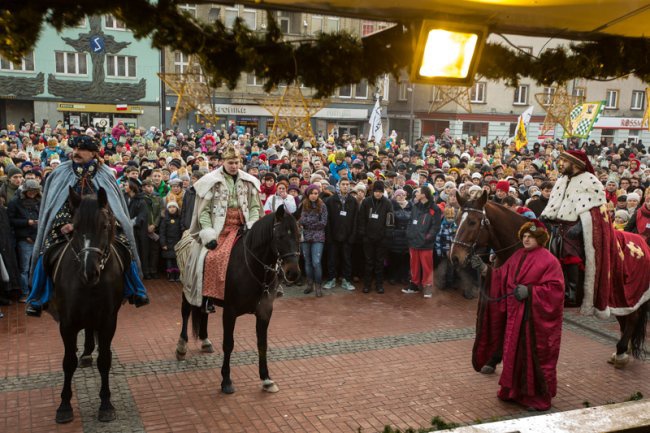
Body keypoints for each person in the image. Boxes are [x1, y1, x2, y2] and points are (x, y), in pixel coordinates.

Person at [26, 135, 149, 316]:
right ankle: (37, 298)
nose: (76, 153)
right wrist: (66, 223)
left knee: (125, 246)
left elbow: (113, 205)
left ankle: (136, 290)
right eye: (74, 149)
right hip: (68, 224)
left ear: (93, 153)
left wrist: (106, 222)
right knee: (46, 251)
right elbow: (55, 204)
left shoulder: (106, 174)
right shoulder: (60, 173)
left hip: (101, 225)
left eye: (81, 150)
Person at [471, 220, 564, 411]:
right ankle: (512, 391)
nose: (526, 239)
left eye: (531, 236)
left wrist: (531, 291)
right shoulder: (517, 255)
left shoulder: (549, 260)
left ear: (540, 239)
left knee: (532, 358)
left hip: (534, 322)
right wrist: (484, 269)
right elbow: (501, 276)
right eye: (524, 236)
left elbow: (556, 290)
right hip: (515, 317)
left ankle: (535, 397)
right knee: (513, 354)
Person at [182, 144, 263, 311]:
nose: (234, 166)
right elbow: (203, 212)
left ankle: (265, 291)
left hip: (243, 226)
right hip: (220, 229)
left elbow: (255, 207)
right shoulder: (210, 181)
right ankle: (208, 297)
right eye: (230, 163)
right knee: (211, 257)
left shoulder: (249, 181)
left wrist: (253, 224)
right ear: (223, 162)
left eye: (237, 162)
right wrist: (208, 233)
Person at [540, 150, 606, 308]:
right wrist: (546, 216)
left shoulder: (590, 180)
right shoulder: (562, 179)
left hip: (576, 227)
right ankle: (555, 290)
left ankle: (573, 294)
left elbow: (596, 209)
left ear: (575, 164)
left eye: (564, 161)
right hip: (558, 225)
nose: (560, 164)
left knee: (571, 258)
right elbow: (555, 203)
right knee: (553, 256)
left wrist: (580, 226)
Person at [404, 186, 442, 298]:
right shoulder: (415, 206)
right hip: (413, 242)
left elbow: (435, 227)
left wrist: (427, 238)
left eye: (418, 192)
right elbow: (411, 222)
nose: (415, 193)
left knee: (427, 266)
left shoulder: (435, 208)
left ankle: (428, 286)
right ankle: (414, 285)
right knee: (414, 265)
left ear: (424, 194)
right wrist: (409, 234)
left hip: (426, 244)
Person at [7, 179, 41, 301]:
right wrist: (27, 222)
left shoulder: (39, 201)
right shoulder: (15, 202)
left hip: (37, 239)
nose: (32, 193)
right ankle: (25, 293)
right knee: (24, 268)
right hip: (24, 240)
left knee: (37, 267)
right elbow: (10, 221)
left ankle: (36, 291)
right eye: (30, 191)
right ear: (25, 190)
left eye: (35, 191)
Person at [357, 180, 393, 294]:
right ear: (373, 191)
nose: (378, 193)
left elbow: (390, 219)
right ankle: (367, 284)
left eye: (380, 191)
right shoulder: (367, 202)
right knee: (368, 262)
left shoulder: (387, 203)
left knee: (379, 262)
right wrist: (363, 233)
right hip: (368, 237)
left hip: (381, 238)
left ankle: (379, 284)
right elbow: (361, 218)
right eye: (376, 191)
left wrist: (387, 234)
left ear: (383, 192)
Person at [323, 177, 357, 291]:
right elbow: (327, 220)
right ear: (339, 185)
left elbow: (355, 220)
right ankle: (331, 279)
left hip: (347, 237)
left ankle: (346, 280)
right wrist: (329, 236)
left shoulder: (353, 201)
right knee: (332, 259)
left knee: (347, 259)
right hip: (333, 236)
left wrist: (352, 235)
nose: (346, 186)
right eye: (343, 184)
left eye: (347, 184)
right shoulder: (330, 200)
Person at [297, 184, 328, 297]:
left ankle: (318, 286)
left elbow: (323, 223)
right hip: (305, 237)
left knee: (316, 262)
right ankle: (309, 284)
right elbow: (300, 221)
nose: (314, 196)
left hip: (318, 237)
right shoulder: (302, 205)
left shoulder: (322, 206)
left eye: (316, 193)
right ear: (308, 194)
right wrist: (310, 222)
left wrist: (307, 223)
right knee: (307, 262)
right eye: (312, 193)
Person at [159, 201, 183, 281]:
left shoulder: (179, 219)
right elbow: (162, 232)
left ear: (177, 208)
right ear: (167, 209)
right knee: (169, 259)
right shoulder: (165, 219)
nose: (172, 209)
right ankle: (171, 275)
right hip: (168, 243)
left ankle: (177, 274)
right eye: (170, 207)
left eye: (174, 207)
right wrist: (163, 243)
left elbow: (181, 231)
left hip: (177, 242)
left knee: (177, 260)